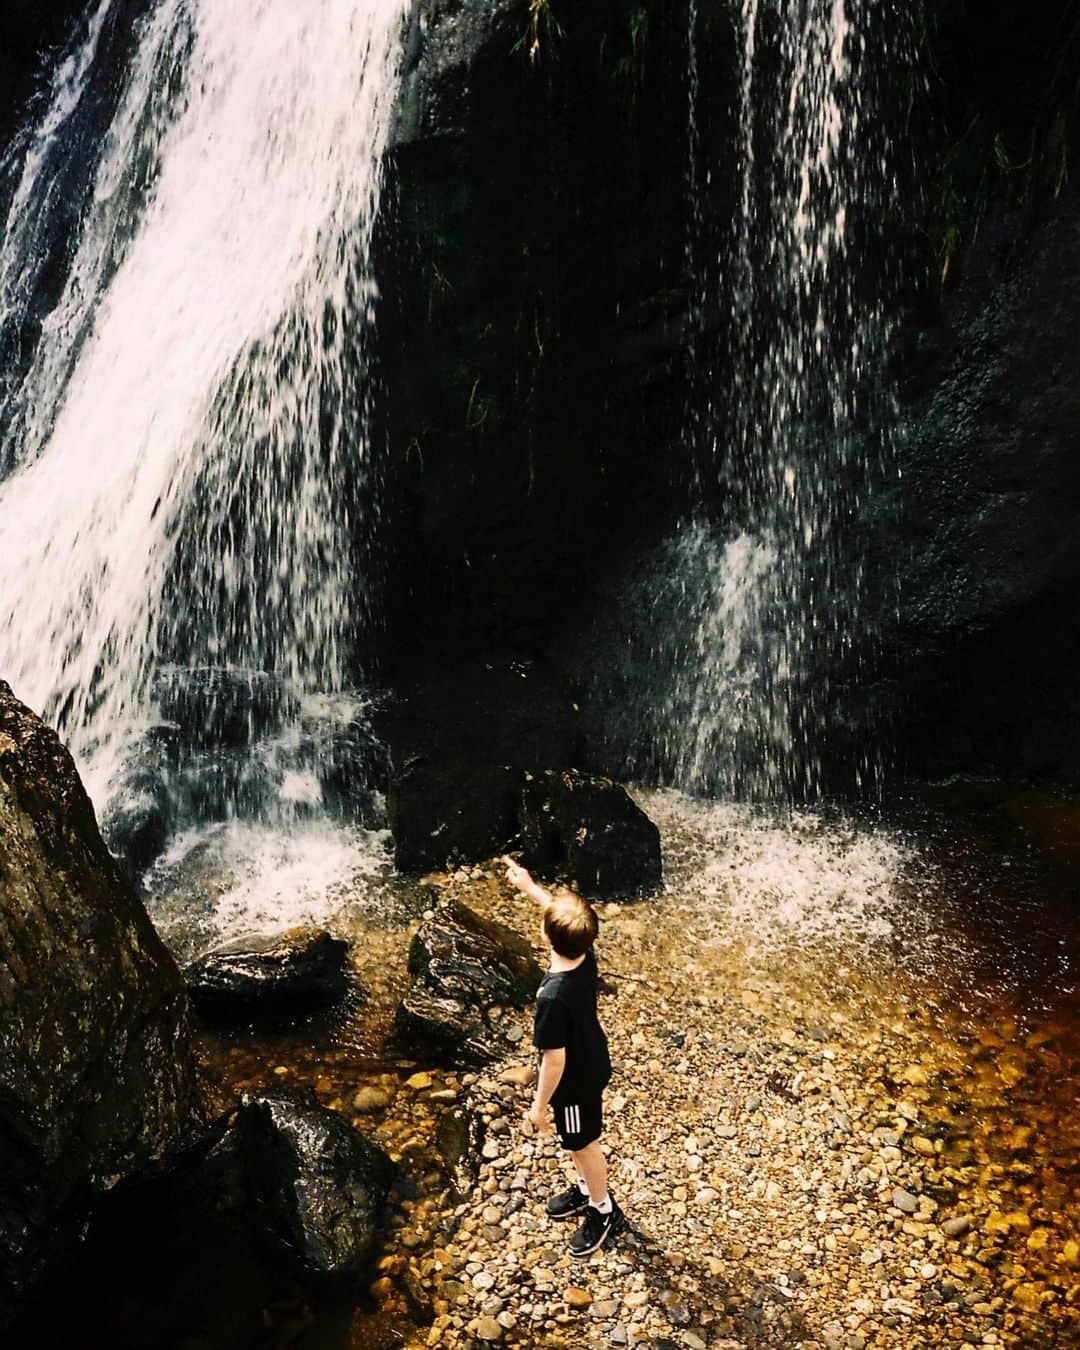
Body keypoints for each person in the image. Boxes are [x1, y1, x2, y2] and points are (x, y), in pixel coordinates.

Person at [504, 857, 624, 1258]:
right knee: (579, 1140)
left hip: (574, 1081)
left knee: (582, 1142)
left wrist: (538, 1108)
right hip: (593, 1057)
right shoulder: (585, 958)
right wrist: (530, 886)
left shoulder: (551, 998)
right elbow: (559, 916)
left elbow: (553, 1060)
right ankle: (588, 1187)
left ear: (545, 936)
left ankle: (603, 1208)